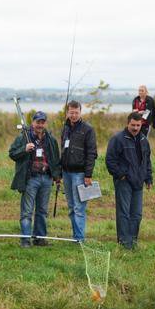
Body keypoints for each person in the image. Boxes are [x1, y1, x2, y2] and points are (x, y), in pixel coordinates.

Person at [9, 111, 62, 247]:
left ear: (45, 123)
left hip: (46, 178)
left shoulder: (51, 139)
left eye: (42, 122)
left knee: (42, 211)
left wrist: (57, 177)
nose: (40, 124)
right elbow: (12, 153)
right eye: (38, 122)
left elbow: (55, 159)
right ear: (33, 122)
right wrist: (24, 149)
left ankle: (40, 239)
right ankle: (25, 240)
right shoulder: (23, 138)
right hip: (30, 179)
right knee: (27, 212)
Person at [105, 113, 153, 250]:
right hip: (124, 182)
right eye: (133, 125)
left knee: (137, 214)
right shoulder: (117, 139)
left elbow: (147, 161)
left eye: (138, 125)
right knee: (124, 213)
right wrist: (121, 175)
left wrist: (148, 178)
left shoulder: (144, 139)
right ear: (128, 123)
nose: (136, 128)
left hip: (139, 182)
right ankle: (124, 243)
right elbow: (110, 160)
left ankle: (132, 241)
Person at [60, 100, 98, 243]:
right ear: (67, 112)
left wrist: (88, 175)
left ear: (80, 112)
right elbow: (62, 150)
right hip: (66, 173)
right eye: (71, 112)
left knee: (79, 208)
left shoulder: (88, 129)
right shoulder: (65, 128)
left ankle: (80, 239)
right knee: (71, 207)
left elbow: (92, 153)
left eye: (76, 112)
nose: (74, 115)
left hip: (80, 174)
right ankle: (75, 236)